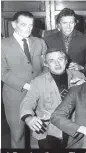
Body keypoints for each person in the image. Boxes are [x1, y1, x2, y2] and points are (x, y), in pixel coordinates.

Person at [20, 48, 86, 148]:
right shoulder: (38, 81)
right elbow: (28, 101)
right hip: (49, 130)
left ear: (66, 61)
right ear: (46, 64)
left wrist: (85, 88)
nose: (57, 64)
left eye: (60, 59)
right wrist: (28, 117)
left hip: (75, 128)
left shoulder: (79, 76)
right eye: (51, 61)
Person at [1, 11, 47, 148]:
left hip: (39, 95)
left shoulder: (40, 42)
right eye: (23, 25)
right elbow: (2, 72)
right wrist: (26, 86)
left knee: (39, 134)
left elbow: (46, 66)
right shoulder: (2, 44)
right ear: (14, 24)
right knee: (18, 135)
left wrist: (40, 85)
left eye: (30, 25)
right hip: (15, 97)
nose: (28, 28)